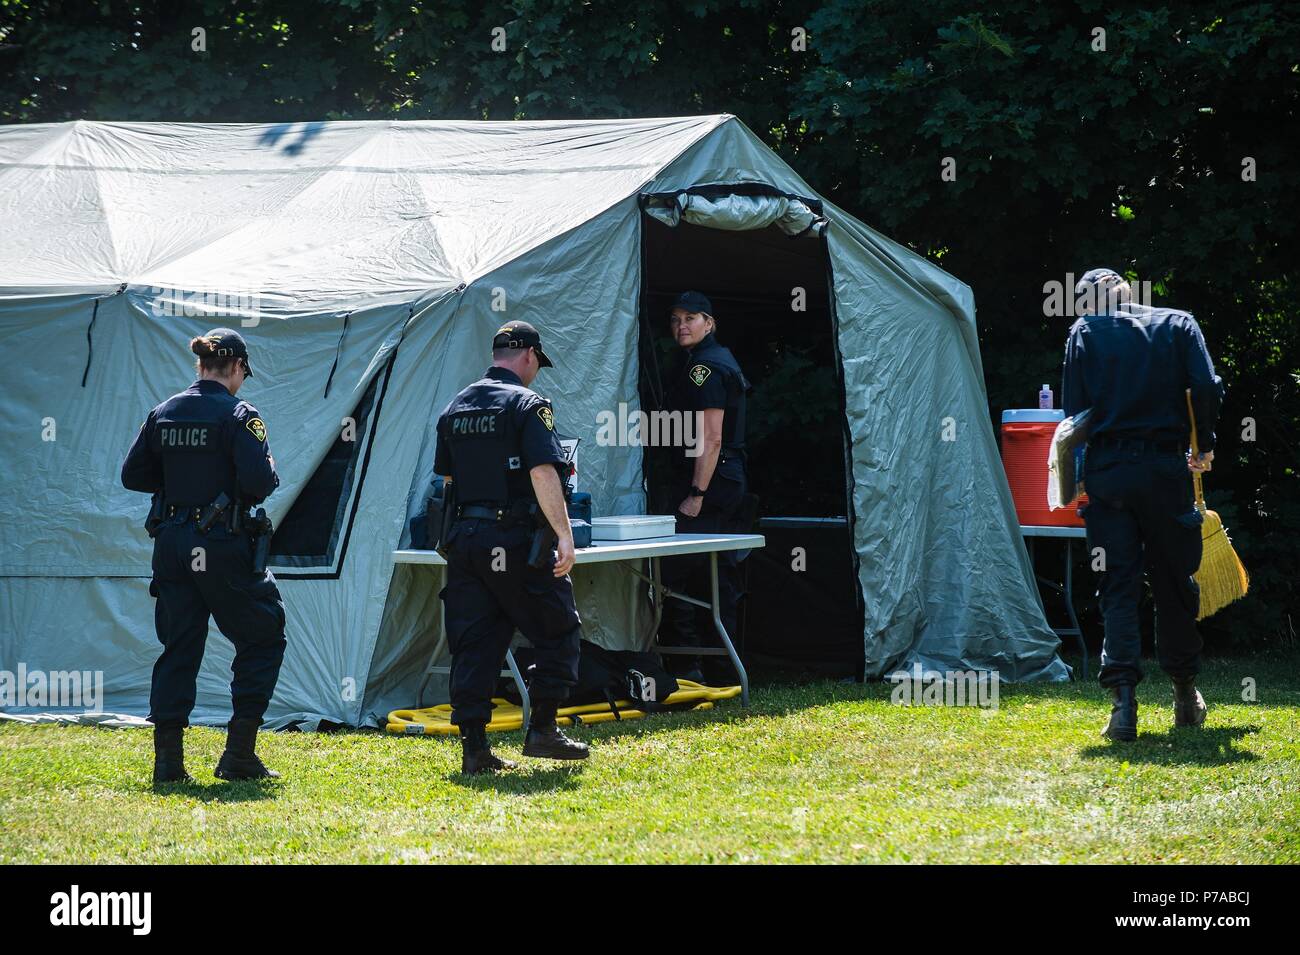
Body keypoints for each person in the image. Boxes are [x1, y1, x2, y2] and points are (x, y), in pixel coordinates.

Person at [1062, 268, 1224, 742]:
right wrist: (1204, 445)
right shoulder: (1179, 324)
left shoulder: (1084, 332)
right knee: (1175, 583)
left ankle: (1123, 707)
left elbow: (1074, 416)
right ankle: (1184, 696)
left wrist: (1074, 485)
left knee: (1118, 585)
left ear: (1090, 302)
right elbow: (1207, 386)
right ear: (1129, 292)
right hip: (1165, 471)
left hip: (1109, 474)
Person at [121, 328, 287, 783]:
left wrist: (178, 483)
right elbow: (257, 484)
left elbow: (133, 475)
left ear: (201, 365)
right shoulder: (239, 413)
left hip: (171, 545)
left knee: (179, 646)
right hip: (221, 545)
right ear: (235, 368)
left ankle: (168, 765)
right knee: (263, 637)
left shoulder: (165, 411)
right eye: (242, 374)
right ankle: (238, 755)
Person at [434, 320, 588, 774]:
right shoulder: (528, 404)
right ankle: (543, 729)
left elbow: (447, 479)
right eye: (538, 362)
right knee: (558, 627)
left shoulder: (456, 405)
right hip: (514, 538)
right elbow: (543, 470)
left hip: (466, 539)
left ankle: (474, 749)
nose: (537, 370)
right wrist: (564, 533)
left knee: (475, 642)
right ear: (527, 356)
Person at [658, 291, 751, 684]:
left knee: (675, 570)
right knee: (719, 574)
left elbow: (710, 439)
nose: (682, 325)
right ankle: (722, 666)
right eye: (676, 318)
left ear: (709, 323)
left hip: (710, 481)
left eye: (691, 318)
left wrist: (696, 494)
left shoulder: (707, 367)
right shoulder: (704, 360)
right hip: (724, 477)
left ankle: (690, 665)